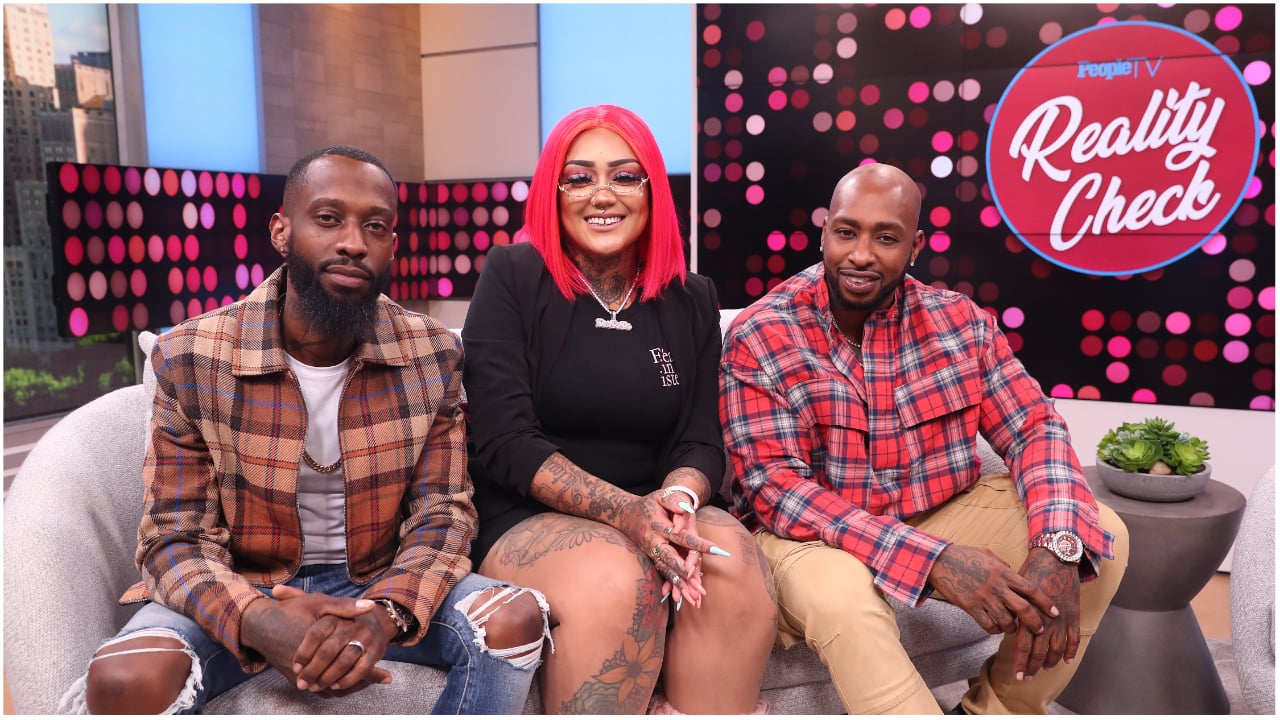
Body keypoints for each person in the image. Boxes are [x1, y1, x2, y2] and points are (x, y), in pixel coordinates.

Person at [60, 146, 550, 714]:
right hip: (244, 581)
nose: (353, 242)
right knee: (124, 680)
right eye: (327, 218)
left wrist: (385, 615)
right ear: (281, 230)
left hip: (378, 578)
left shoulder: (431, 354)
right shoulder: (193, 356)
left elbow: (444, 512)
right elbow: (173, 537)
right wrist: (261, 620)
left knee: (513, 620)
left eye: (376, 226)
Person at [719, 162, 1130, 714]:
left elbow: (1034, 427)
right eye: (846, 232)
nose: (861, 254)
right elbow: (777, 491)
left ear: (914, 247)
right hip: (806, 540)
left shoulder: (962, 322)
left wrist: (1057, 546)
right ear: (824, 233)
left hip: (933, 511)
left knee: (1097, 535)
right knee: (842, 594)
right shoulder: (761, 333)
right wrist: (935, 560)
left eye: (885, 237)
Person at [462, 105, 777, 714]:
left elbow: (701, 439)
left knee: (732, 562)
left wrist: (679, 501)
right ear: (553, 193)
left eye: (624, 176)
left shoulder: (691, 297)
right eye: (578, 177)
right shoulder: (513, 274)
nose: (601, 194)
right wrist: (629, 515)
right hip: (524, 512)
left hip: (652, 504)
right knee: (619, 579)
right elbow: (504, 441)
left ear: (652, 189)